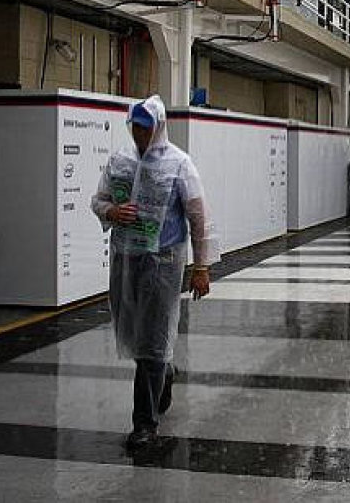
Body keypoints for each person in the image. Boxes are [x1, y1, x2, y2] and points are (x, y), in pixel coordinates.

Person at [91, 95, 216, 451]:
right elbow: (97, 200)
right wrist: (112, 212)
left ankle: (144, 424)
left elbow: (198, 219)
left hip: (163, 262)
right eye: (136, 127)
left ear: (159, 126)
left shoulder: (179, 164)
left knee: (152, 340)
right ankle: (166, 372)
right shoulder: (120, 160)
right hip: (125, 259)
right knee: (132, 332)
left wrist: (201, 267)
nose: (140, 134)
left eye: (146, 128)